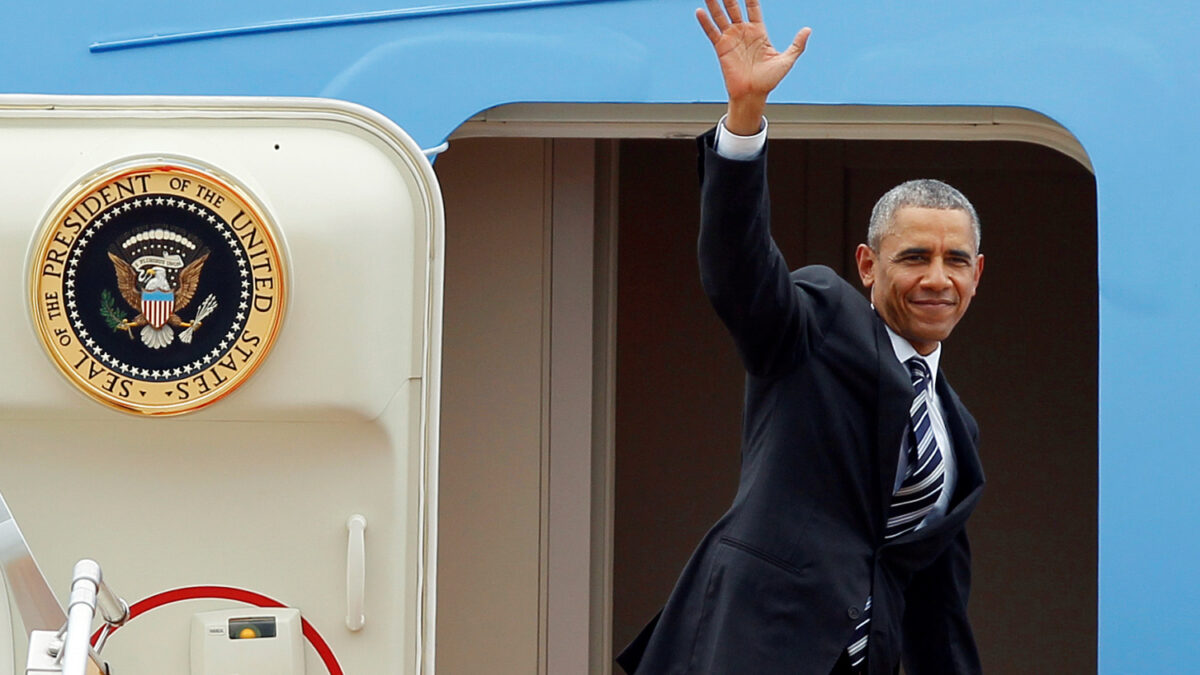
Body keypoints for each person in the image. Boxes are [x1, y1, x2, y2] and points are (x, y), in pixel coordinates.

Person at [616, 1, 986, 673]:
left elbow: (939, 610)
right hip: (751, 646)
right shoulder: (820, 319)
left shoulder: (957, 427)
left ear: (977, 274)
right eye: (913, 258)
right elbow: (740, 273)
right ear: (868, 265)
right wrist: (745, 121)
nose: (937, 279)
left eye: (954, 261)